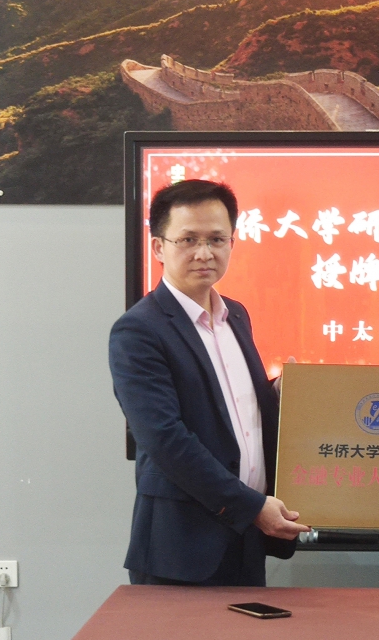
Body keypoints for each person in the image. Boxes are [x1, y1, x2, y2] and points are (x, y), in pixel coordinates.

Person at [109, 179, 309, 585]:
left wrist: (277, 393)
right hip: (181, 546)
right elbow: (165, 439)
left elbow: (234, 407)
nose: (205, 253)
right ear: (158, 247)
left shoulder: (236, 315)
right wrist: (250, 506)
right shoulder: (138, 330)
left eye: (217, 239)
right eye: (188, 240)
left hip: (246, 539)